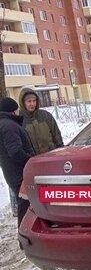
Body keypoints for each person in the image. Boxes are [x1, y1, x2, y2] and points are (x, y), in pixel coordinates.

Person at [0, 97, 35, 230]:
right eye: (16, 110)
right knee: (25, 205)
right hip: (19, 173)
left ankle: (25, 234)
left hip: (13, 172)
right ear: (12, 111)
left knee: (25, 204)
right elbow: (15, 152)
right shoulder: (9, 126)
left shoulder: (5, 124)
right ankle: (24, 235)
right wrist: (31, 162)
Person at [19, 88, 63, 154]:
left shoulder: (46, 115)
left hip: (52, 155)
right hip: (33, 160)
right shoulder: (19, 120)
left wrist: (61, 149)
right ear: (23, 103)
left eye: (34, 101)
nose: (32, 104)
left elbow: (57, 136)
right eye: (29, 101)